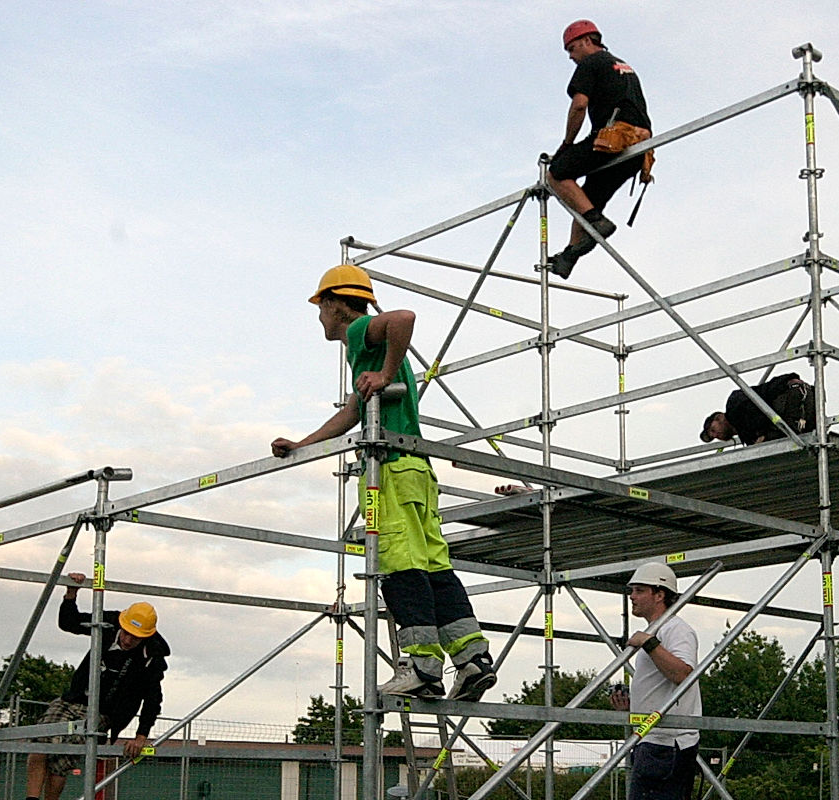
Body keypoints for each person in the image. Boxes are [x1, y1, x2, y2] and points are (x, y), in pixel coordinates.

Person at [270, 264, 497, 702]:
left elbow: (403, 318)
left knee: (398, 564)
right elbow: (354, 410)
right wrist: (302, 444)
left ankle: (423, 666)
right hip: (416, 471)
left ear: (336, 304)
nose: (320, 317)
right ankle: (471, 659)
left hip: (389, 470)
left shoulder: (359, 334)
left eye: (322, 308)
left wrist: (387, 374)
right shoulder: (367, 354)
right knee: (433, 566)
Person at [24, 573, 169, 800]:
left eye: (136, 638)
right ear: (122, 623)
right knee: (41, 738)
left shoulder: (152, 656)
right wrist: (71, 594)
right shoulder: (107, 623)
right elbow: (69, 623)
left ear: (147, 637)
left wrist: (141, 736)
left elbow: (153, 698)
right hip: (74, 698)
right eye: (127, 633)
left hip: (104, 711)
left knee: (61, 755)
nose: (129, 640)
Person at [546, 19, 652, 280]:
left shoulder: (591, 63)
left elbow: (579, 106)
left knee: (557, 173)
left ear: (586, 41)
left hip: (614, 139)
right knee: (585, 203)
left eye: (571, 49)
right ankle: (570, 255)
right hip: (639, 149)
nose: (571, 56)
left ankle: (596, 221)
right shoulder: (624, 67)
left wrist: (567, 144)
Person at [610, 563, 701, 800]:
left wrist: (649, 644)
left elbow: (682, 674)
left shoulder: (676, 630)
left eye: (640, 590)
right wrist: (632, 709)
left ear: (660, 594)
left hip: (666, 745)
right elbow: (661, 687)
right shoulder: (657, 631)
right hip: (653, 741)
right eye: (632, 590)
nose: (632, 596)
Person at [700, 373, 815, 445]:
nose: (716, 436)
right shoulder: (747, 435)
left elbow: (757, 414)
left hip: (790, 393)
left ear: (719, 417)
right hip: (803, 401)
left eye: (713, 430)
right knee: (802, 439)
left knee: (791, 432)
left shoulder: (733, 406)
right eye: (713, 437)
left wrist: (763, 438)